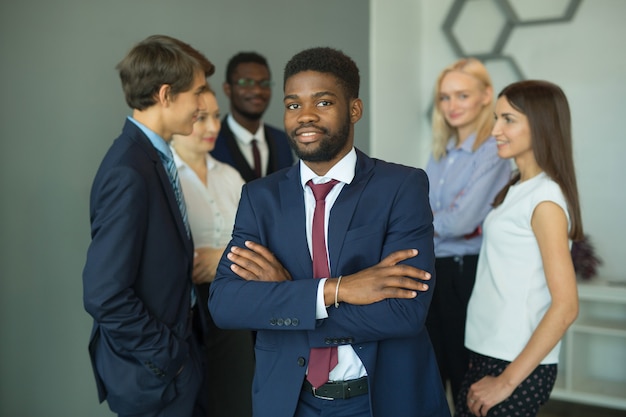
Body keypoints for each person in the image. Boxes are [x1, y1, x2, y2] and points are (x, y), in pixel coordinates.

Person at [208, 47, 451, 417]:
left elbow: (404, 312)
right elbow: (225, 304)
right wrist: (340, 289)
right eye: (293, 105)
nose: (305, 116)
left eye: (322, 102)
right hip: (290, 402)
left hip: (380, 399)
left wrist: (286, 297)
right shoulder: (260, 197)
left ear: (354, 109)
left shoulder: (401, 187)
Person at [82, 35, 213, 417]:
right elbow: (104, 294)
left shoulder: (152, 156)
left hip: (181, 356)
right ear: (166, 94)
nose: (204, 105)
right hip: (155, 376)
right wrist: (168, 356)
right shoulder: (129, 170)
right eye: (198, 93)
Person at [456, 80, 582, 417]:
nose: (496, 129)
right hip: (489, 350)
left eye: (508, 119)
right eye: (496, 118)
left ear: (541, 124)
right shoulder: (517, 188)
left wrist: (507, 381)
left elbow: (567, 306)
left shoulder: (545, 200)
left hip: (513, 360)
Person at [424, 58, 512, 403]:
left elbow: (460, 223)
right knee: (433, 370)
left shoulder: (494, 150)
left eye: (462, 95)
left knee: (465, 375)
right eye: (444, 97)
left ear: (485, 96)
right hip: (434, 269)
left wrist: (432, 220)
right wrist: (441, 218)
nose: (451, 106)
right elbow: (432, 213)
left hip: (468, 271)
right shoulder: (440, 150)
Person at [170, 90, 254, 417]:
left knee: (235, 403)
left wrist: (222, 257)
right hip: (184, 312)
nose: (213, 126)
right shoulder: (165, 176)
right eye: (200, 117)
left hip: (233, 306)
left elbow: (260, 244)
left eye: (216, 116)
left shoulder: (230, 177)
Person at [211, 51, 294, 182]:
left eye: (264, 83)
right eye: (246, 82)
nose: (257, 90)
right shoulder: (211, 140)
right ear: (228, 89)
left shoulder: (282, 140)